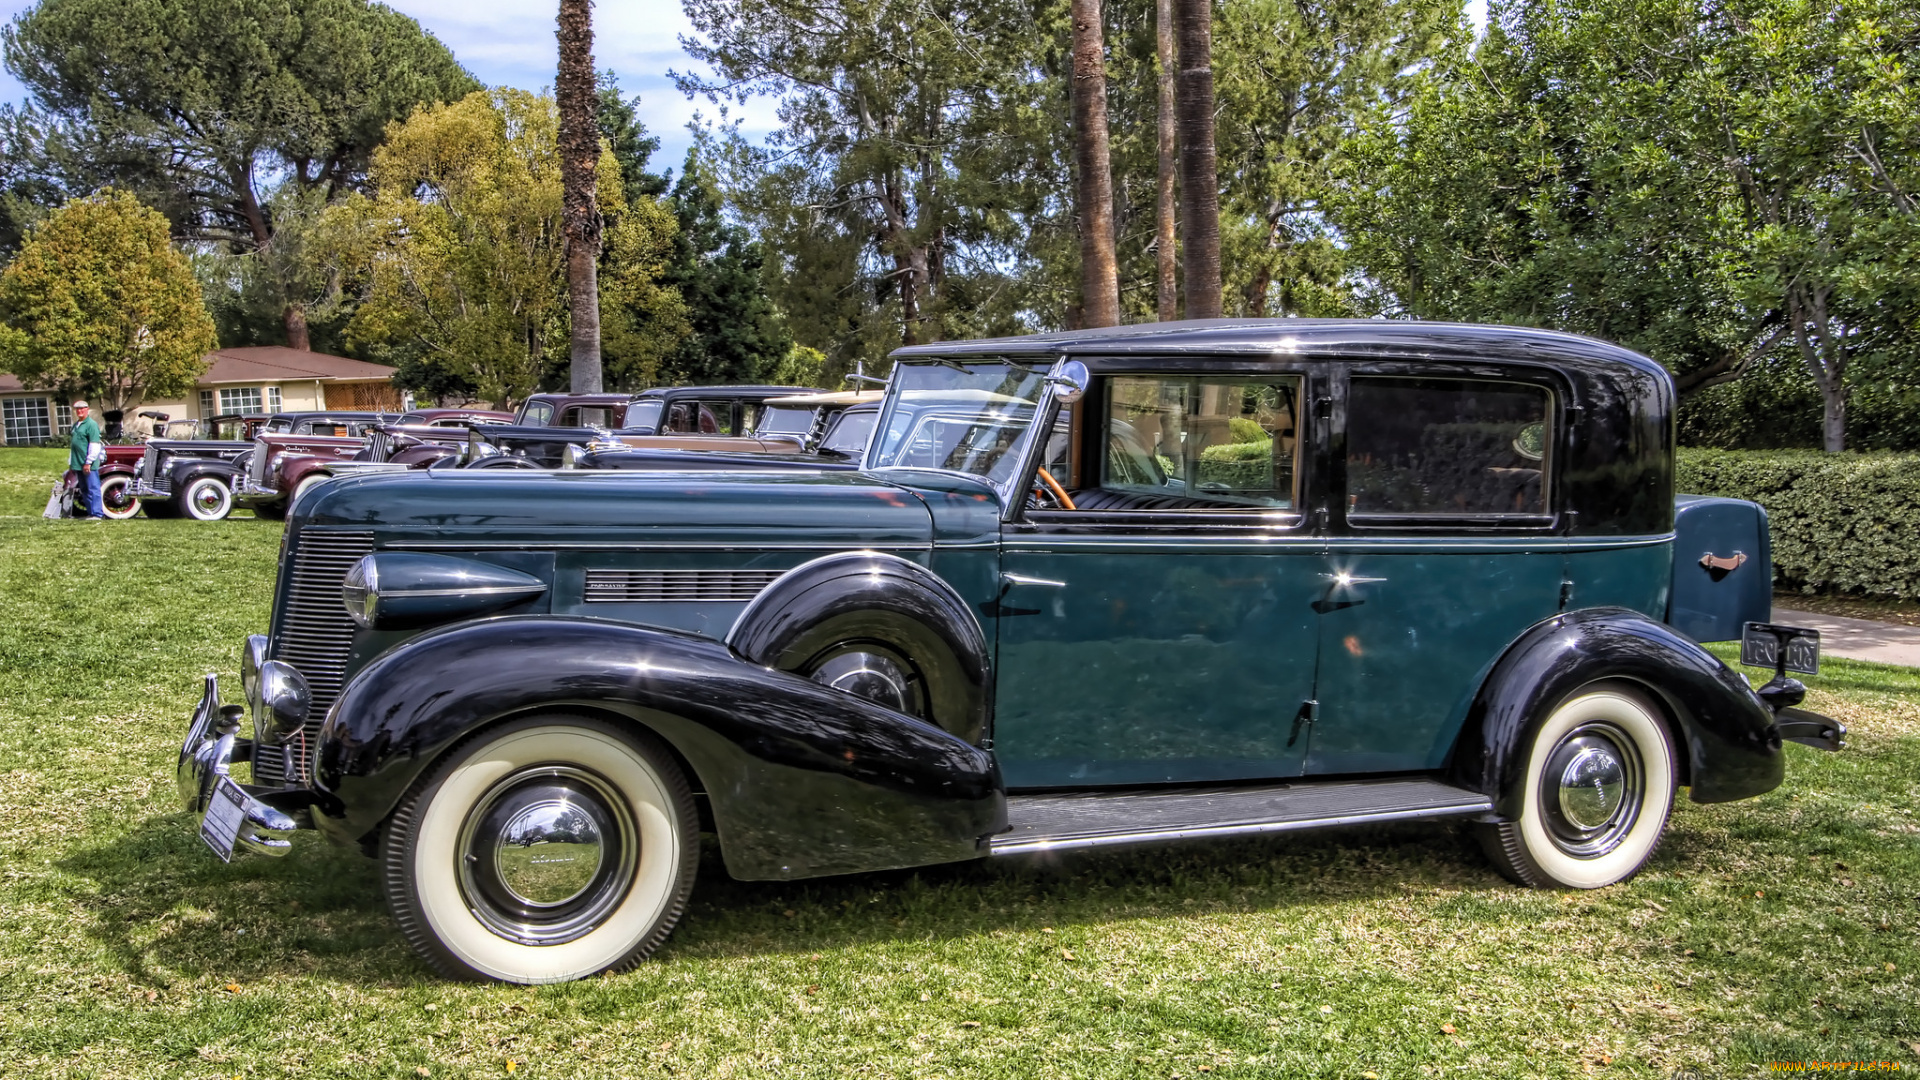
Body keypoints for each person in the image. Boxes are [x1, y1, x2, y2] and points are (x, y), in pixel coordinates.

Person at [68, 399, 105, 520]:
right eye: (77, 409)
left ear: (87, 409)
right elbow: (74, 446)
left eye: (82, 408)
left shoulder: (91, 424)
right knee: (84, 489)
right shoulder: (76, 424)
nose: (79, 411)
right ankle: (90, 512)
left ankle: (97, 514)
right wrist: (71, 463)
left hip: (88, 464)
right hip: (77, 463)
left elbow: (94, 445)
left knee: (93, 488)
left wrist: (88, 462)